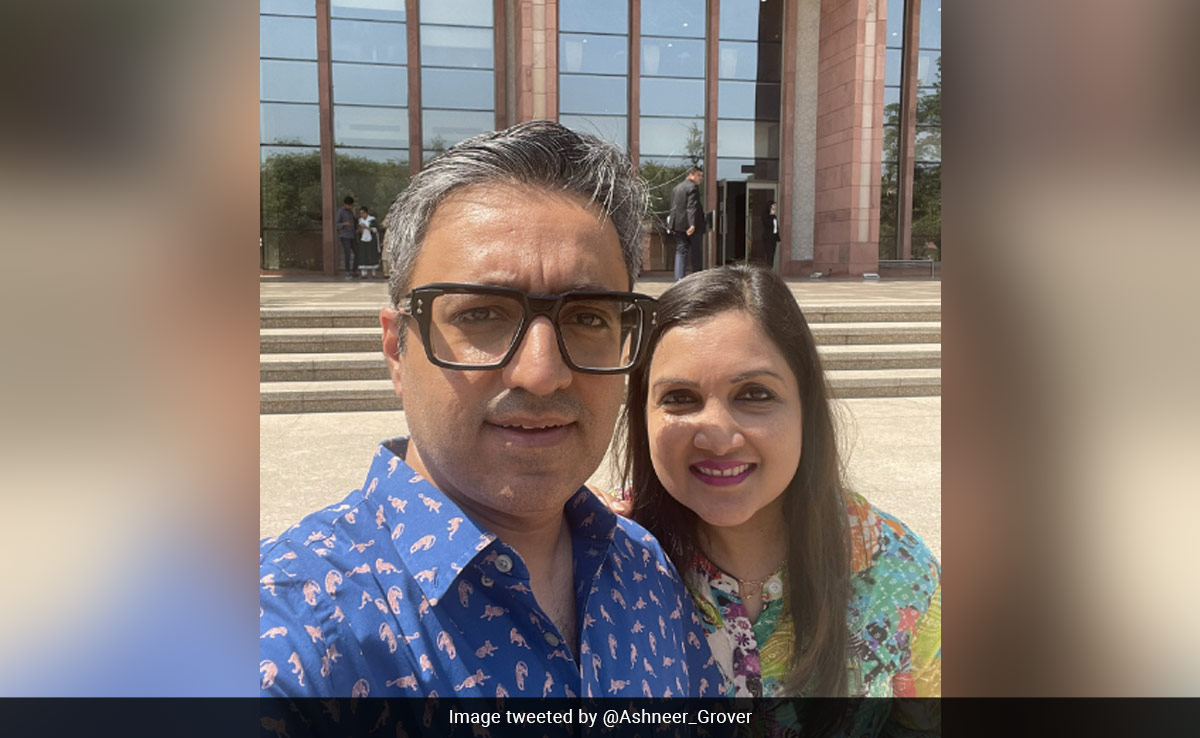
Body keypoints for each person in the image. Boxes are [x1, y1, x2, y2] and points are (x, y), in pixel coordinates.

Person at [260, 121, 720, 699]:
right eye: (481, 314)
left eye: (587, 317)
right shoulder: (290, 632)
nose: (542, 372)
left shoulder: (644, 571)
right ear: (396, 349)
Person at [620, 265, 940, 721]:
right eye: (679, 397)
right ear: (643, 416)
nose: (717, 437)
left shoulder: (900, 576)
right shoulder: (600, 557)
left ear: (806, 408)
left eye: (754, 394)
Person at [669, 165, 705, 281]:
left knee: (681, 251)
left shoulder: (676, 188)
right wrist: (692, 224)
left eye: (701, 176)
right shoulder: (692, 187)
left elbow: (673, 207)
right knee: (696, 253)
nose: (700, 178)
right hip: (692, 227)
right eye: (698, 175)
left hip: (678, 226)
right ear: (690, 175)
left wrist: (671, 225)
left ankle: (678, 280)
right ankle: (697, 280)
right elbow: (691, 206)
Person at [356, 206, 380, 279]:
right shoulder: (360, 220)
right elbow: (359, 231)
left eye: (363, 213)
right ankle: (364, 273)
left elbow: (375, 229)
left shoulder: (371, 220)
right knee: (363, 255)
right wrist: (360, 229)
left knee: (372, 254)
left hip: (370, 239)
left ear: (366, 213)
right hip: (363, 239)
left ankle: (373, 272)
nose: (362, 215)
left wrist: (366, 227)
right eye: (360, 213)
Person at [336, 195, 357, 279]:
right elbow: (337, 224)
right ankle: (347, 271)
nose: (351, 207)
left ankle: (354, 271)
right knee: (347, 253)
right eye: (350, 205)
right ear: (346, 204)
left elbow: (355, 222)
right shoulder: (341, 211)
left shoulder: (351, 211)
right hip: (345, 236)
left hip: (353, 235)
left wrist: (354, 214)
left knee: (357, 252)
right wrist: (345, 224)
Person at [760, 201, 780, 269]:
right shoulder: (765, 215)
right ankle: (768, 269)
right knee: (769, 254)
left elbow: (776, 227)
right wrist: (771, 215)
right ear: (770, 206)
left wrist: (778, 238)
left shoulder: (774, 216)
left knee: (772, 255)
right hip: (768, 237)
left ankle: (770, 268)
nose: (775, 207)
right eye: (774, 205)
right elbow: (768, 225)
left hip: (773, 238)